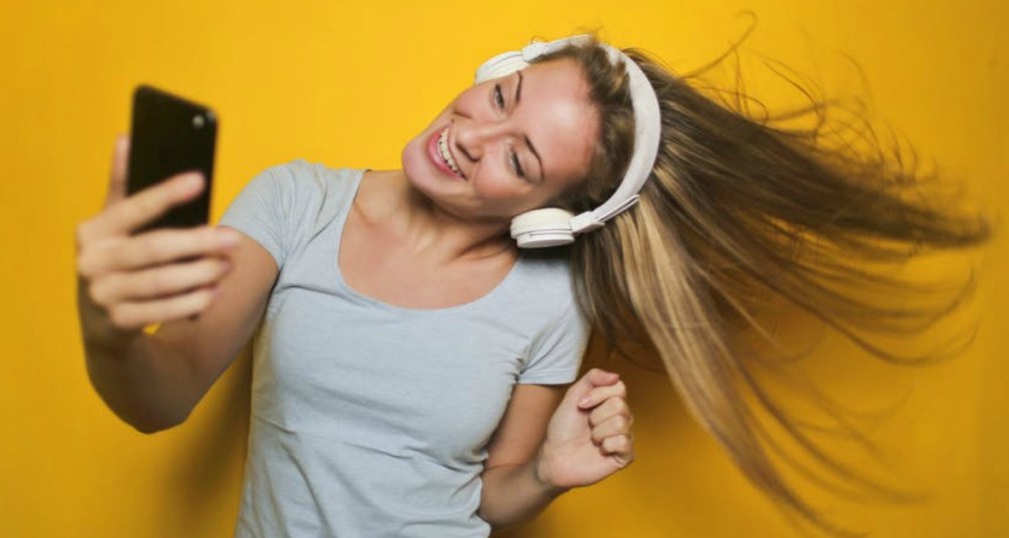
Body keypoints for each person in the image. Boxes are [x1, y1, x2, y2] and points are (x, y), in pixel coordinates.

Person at [75, 34, 990, 537]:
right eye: (504, 96)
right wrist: (110, 327)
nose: (473, 133)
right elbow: (162, 399)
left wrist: (547, 476)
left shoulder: (552, 296)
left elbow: (488, 496)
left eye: (519, 156)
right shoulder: (295, 199)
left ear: (554, 215)